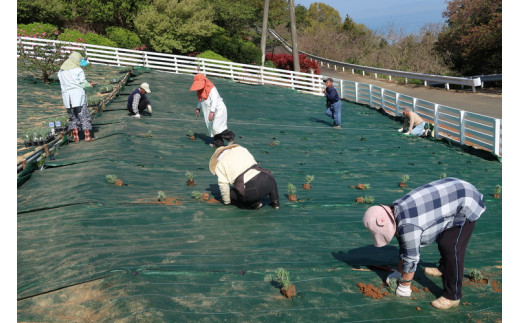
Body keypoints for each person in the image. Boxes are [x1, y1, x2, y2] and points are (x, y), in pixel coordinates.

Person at [362, 177, 485, 310]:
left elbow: (411, 257)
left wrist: (404, 285)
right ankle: (444, 268)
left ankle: (453, 295)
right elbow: (405, 246)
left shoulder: (408, 226)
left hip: (466, 201)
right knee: (445, 240)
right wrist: (398, 273)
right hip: (452, 195)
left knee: (450, 246)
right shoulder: (395, 211)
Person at [209, 144, 279, 210]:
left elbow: (223, 186)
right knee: (271, 181)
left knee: (231, 195)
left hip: (251, 190)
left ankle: (254, 203)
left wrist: (227, 202)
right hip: (266, 179)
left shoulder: (220, 164)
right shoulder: (241, 149)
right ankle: (275, 203)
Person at [189, 73, 235, 147]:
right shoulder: (200, 91)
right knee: (212, 129)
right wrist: (198, 108)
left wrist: (212, 112)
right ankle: (218, 144)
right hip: (209, 111)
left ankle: (230, 137)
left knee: (217, 127)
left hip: (218, 110)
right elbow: (200, 100)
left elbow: (214, 101)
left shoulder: (211, 88)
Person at [57, 52, 94, 142]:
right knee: (84, 115)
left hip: (67, 97)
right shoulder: (78, 70)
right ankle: (87, 136)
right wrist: (90, 85)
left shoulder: (60, 72)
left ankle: (76, 137)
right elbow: (83, 83)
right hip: (78, 95)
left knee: (72, 117)